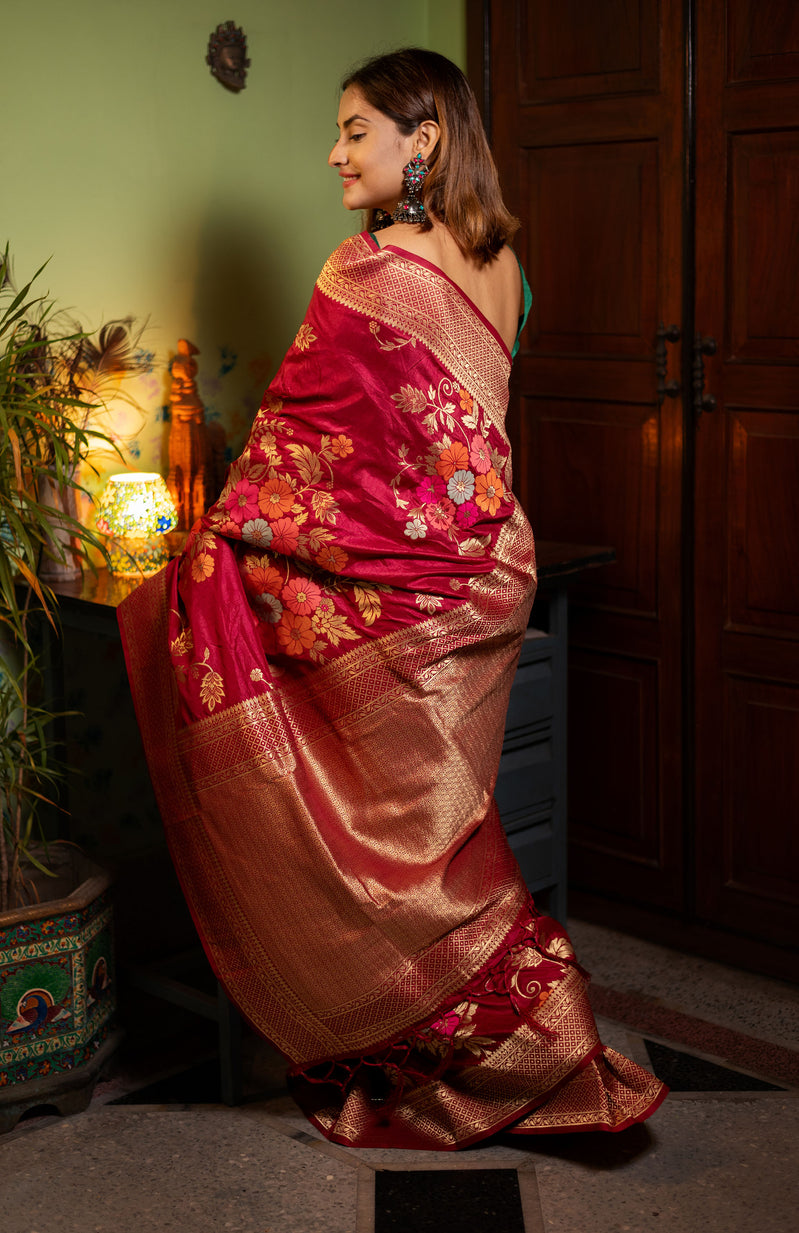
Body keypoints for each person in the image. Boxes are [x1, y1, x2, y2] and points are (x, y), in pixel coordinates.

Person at [118, 48, 667, 1150]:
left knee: (390, 849)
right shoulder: (511, 260)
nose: (333, 151)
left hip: (404, 597)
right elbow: (436, 451)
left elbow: (307, 455)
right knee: (440, 835)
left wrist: (221, 541)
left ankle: (472, 1052)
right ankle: (478, 1046)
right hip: (486, 582)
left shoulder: (363, 271)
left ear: (421, 140)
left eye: (354, 129)